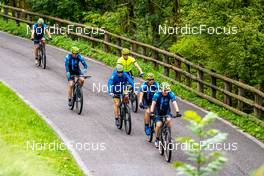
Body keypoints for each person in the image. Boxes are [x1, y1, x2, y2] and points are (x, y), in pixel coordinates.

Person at [149, 82, 181, 148]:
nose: (166, 92)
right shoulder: (157, 94)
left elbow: (174, 102)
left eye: (167, 91)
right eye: (164, 90)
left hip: (166, 110)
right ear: (161, 90)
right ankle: (157, 139)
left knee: (169, 120)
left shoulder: (170, 94)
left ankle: (169, 135)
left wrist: (177, 111)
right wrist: (151, 112)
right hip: (157, 111)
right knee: (158, 124)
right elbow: (153, 104)